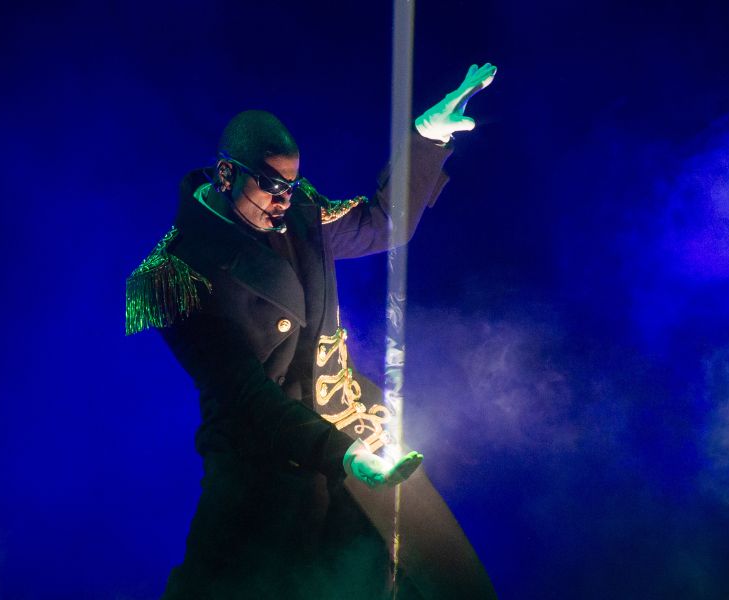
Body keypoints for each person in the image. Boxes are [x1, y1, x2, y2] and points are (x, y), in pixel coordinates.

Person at [126, 64, 498, 599]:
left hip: (354, 428)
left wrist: (425, 138)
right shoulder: (173, 276)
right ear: (226, 174)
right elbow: (248, 397)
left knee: (439, 578)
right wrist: (341, 454)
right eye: (270, 185)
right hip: (265, 463)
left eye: (291, 185)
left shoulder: (300, 212)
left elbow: (382, 223)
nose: (283, 200)